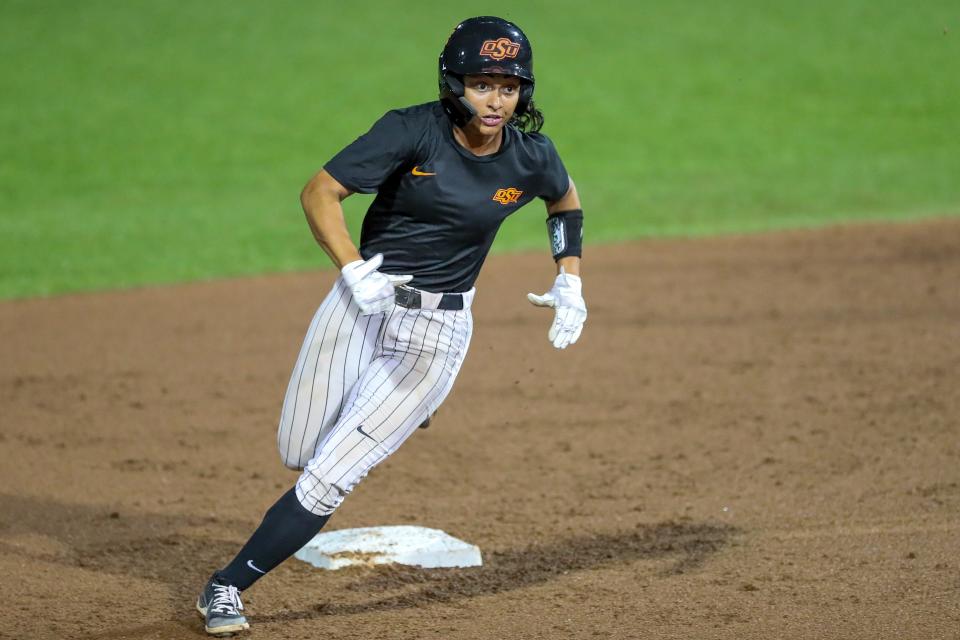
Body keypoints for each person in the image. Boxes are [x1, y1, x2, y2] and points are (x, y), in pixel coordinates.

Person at [195, 16, 587, 636]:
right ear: (453, 84)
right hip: (359, 305)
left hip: (436, 336)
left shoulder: (530, 156)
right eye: (482, 85)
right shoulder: (412, 130)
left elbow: (564, 200)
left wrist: (570, 277)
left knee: (331, 474)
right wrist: (351, 269)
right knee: (298, 449)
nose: (496, 100)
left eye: (508, 87)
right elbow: (319, 192)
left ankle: (226, 587)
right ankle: (402, 404)